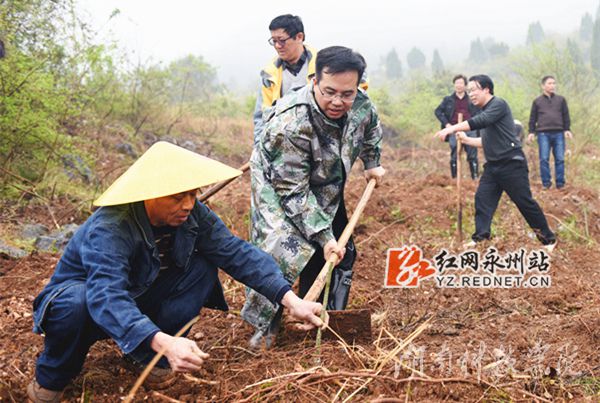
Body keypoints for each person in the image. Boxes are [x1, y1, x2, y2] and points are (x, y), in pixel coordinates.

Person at [27, 142, 325, 403]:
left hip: (140, 293)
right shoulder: (111, 227)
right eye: (177, 197)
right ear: (149, 194)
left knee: (202, 267)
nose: (187, 205)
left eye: (192, 195)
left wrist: (291, 300)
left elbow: (236, 253)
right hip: (91, 304)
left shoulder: (193, 213)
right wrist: (166, 342)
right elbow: (106, 296)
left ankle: (144, 356)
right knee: (77, 303)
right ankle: (53, 374)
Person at [242, 46, 385, 348]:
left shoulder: (360, 104)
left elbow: (371, 129)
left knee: (341, 252)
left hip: (326, 180)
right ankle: (266, 323)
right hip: (277, 185)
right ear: (315, 81)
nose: (338, 101)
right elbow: (293, 192)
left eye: (346, 93)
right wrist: (323, 235)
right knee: (281, 251)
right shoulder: (291, 123)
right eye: (329, 91)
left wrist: (372, 163)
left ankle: (322, 312)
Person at [435, 75, 556, 250]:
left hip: (511, 164)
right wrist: (467, 140)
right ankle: (481, 238)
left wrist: (452, 128)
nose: (471, 95)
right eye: (469, 92)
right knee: (483, 199)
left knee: (524, 202)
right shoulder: (485, 111)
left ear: (486, 89)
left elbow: (479, 122)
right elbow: (487, 142)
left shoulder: (498, 105)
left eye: (474, 90)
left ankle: (548, 240)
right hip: (493, 166)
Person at [252, 14, 367, 146]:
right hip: (284, 143)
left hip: (323, 141)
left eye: (282, 40)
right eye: (274, 41)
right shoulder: (270, 73)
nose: (277, 46)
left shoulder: (323, 65)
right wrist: (259, 146)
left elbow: (358, 84)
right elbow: (262, 116)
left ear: (299, 37)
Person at [527, 75, 572, 189]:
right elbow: (533, 118)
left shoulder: (561, 100)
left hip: (558, 133)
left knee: (560, 159)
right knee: (543, 159)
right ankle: (546, 183)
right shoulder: (537, 101)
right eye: (549, 83)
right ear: (543, 86)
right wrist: (531, 132)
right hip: (543, 134)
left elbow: (565, 116)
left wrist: (567, 129)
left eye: (554, 83)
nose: (552, 86)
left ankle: (560, 184)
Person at [434, 74, 481, 179]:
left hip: (470, 128)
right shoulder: (448, 100)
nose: (458, 85)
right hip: (454, 129)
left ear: (465, 85)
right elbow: (438, 111)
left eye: (461, 83)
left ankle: (474, 178)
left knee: (472, 153)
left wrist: (474, 123)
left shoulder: (471, 99)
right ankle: (454, 177)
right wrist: (447, 124)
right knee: (454, 152)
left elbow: (479, 112)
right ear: (454, 85)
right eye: (456, 83)